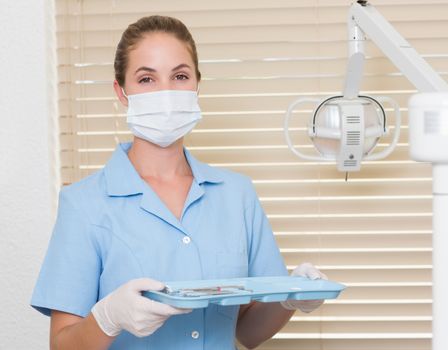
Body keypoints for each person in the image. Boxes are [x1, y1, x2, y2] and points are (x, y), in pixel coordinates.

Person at [31, 15, 327, 349]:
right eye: (146, 79)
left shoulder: (237, 195)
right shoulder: (84, 205)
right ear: (121, 91)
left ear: (197, 84)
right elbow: (62, 345)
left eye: (180, 76)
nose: (166, 93)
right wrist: (108, 317)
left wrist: (290, 298)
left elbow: (247, 332)